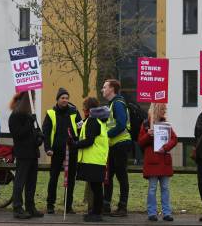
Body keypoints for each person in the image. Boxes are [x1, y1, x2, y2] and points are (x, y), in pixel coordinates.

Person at [42, 87, 82, 214]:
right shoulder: (51, 114)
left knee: (71, 179)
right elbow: (46, 133)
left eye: (66, 98)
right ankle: (50, 205)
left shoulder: (74, 112)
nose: (65, 100)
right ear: (57, 99)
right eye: (62, 98)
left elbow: (81, 128)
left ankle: (68, 206)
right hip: (57, 151)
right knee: (53, 178)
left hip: (72, 151)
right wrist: (47, 148)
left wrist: (78, 143)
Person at [138, 103, 178, 222]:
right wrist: (148, 135)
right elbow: (140, 142)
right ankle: (152, 213)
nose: (164, 111)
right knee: (152, 188)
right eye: (163, 109)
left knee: (165, 188)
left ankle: (166, 213)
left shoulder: (165, 124)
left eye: (164, 109)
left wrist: (165, 148)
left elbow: (174, 139)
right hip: (152, 161)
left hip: (163, 160)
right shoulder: (146, 124)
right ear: (156, 109)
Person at [8, 91, 43, 219]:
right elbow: (18, 134)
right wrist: (30, 123)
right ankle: (17, 207)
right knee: (20, 181)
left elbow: (36, 131)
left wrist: (39, 137)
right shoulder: (15, 116)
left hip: (33, 152)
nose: (33, 101)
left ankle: (30, 206)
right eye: (32, 98)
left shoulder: (29, 114)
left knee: (31, 182)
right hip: (23, 153)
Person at [74, 97, 110, 222]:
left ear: (88, 109)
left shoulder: (92, 121)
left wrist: (75, 144)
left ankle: (96, 214)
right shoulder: (99, 121)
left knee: (96, 188)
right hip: (97, 159)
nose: (82, 110)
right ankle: (95, 212)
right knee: (96, 187)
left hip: (93, 159)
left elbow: (89, 141)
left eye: (84, 107)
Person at [100, 79, 132, 216]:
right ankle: (106, 205)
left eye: (104, 87)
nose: (102, 89)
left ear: (112, 89)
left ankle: (122, 207)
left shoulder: (118, 104)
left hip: (120, 144)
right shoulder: (113, 104)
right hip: (113, 145)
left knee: (121, 176)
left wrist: (105, 135)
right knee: (108, 176)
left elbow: (121, 125)